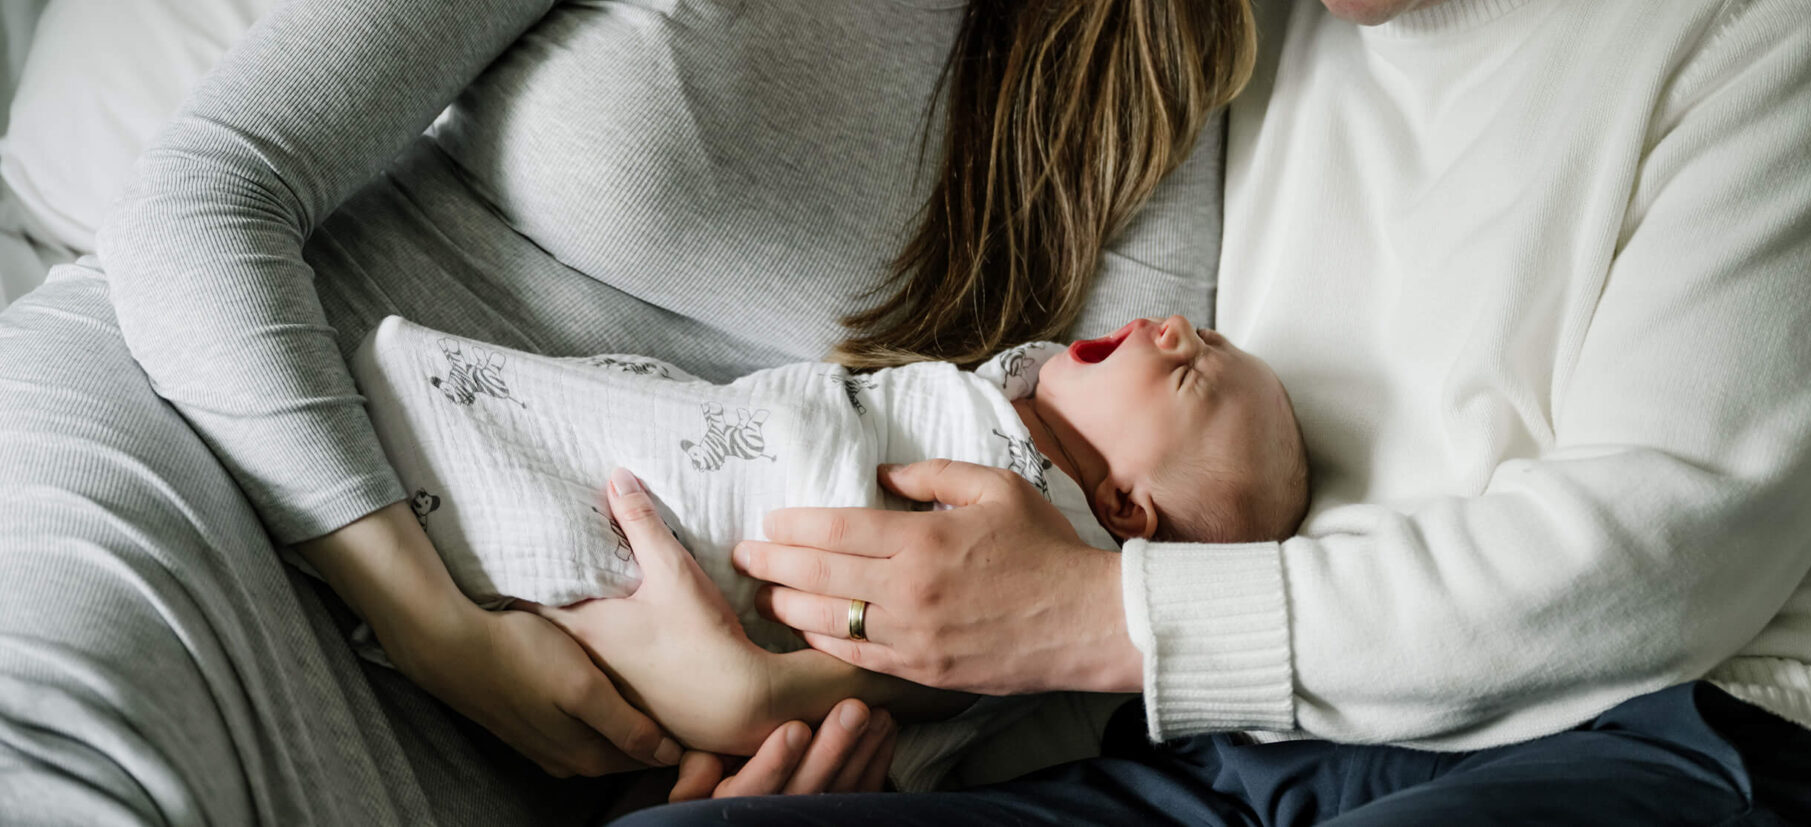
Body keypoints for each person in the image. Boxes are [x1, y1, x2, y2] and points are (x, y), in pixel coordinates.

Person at [639, 0, 1811, 822]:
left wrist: (1097, 618)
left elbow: (1656, 570)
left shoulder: (1756, 12)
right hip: (1231, 749)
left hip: (1672, 728)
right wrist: (819, 701)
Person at [0, 0, 1256, 822]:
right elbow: (209, 190)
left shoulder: (1133, 57)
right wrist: (434, 624)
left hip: (588, 720)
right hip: (215, 442)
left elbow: (1120, 558)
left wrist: (776, 698)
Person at [346, 312, 1305, 777]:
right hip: (728, 457)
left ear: (1126, 512)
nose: (1176, 328)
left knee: (598, 509)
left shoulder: (1047, 532)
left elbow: (967, 671)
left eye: (1190, 377)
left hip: (749, 562)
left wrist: (773, 694)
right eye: (1202, 334)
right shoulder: (1006, 390)